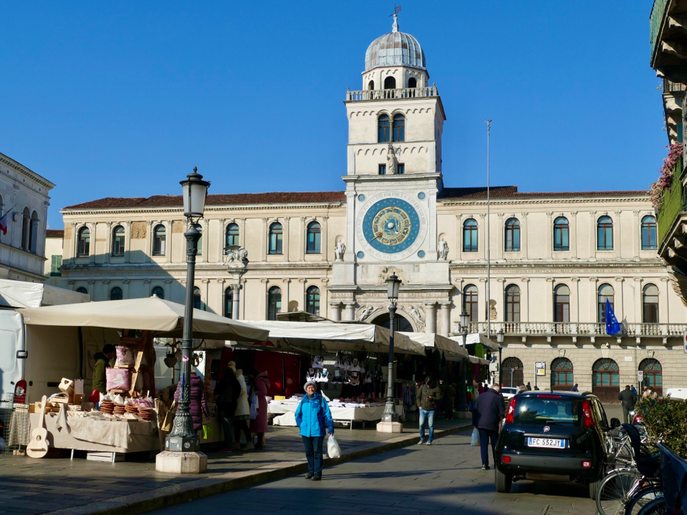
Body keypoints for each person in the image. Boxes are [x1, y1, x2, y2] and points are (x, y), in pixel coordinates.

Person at [295, 381, 334, 481]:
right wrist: (301, 425)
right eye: (308, 388)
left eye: (312, 387)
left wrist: (330, 428)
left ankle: (317, 472)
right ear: (306, 390)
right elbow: (297, 414)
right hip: (305, 431)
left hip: (318, 431)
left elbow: (327, 414)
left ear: (315, 389)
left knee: (317, 452)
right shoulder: (303, 401)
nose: (310, 389)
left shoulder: (321, 400)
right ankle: (311, 470)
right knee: (309, 452)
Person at [472, 384, 505, 470]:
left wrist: (474, 423)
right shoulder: (498, 398)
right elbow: (502, 413)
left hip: (481, 424)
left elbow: (475, 411)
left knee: (483, 444)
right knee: (495, 444)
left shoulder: (480, 396)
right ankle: (496, 463)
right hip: (493, 425)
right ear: (497, 391)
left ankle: (484, 464)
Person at [214, 362, 240, 451]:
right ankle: (229, 443)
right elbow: (238, 393)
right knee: (229, 425)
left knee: (226, 425)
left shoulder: (224, 380)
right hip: (232, 406)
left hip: (224, 406)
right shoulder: (235, 381)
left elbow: (216, 391)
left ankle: (228, 445)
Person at [416, 376, 441, 445]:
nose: (428, 386)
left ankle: (430, 439)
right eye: (427, 384)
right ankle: (422, 438)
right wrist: (419, 406)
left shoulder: (436, 388)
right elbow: (418, 396)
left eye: (429, 384)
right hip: (422, 408)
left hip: (431, 409)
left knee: (431, 425)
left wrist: (432, 398)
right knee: (421, 424)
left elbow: (439, 398)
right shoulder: (422, 387)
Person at [250, 369, 271, 450]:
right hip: (260, 403)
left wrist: (254, 392)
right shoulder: (262, 380)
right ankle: (260, 442)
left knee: (259, 423)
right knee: (260, 423)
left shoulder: (259, 381)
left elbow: (263, 391)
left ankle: (259, 443)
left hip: (259, 403)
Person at [232, 366, 253, 450]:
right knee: (238, 425)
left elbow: (242, 390)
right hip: (240, 406)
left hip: (240, 406)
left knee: (242, 425)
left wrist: (234, 396)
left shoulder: (239, 378)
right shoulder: (239, 378)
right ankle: (238, 442)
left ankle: (248, 442)